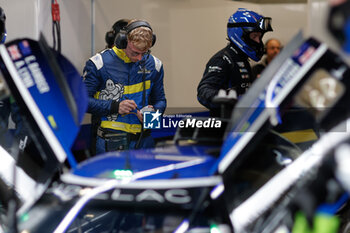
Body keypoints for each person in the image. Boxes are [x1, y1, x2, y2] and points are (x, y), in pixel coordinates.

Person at [83, 19, 166, 155]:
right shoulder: (99, 64)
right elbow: (82, 102)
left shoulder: (155, 65)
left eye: (144, 53)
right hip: (111, 143)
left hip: (145, 142)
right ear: (123, 42)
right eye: (135, 53)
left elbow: (161, 100)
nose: (139, 58)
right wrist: (115, 107)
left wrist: (153, 117)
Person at [197, 8, 273, 117]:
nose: (258, 41)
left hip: (240, 123)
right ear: (240, 34)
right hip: (224, 127)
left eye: (259, 36)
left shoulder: (241, 58)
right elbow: (203, 91)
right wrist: (223, 98)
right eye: (254, 36)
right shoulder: (223, 59)